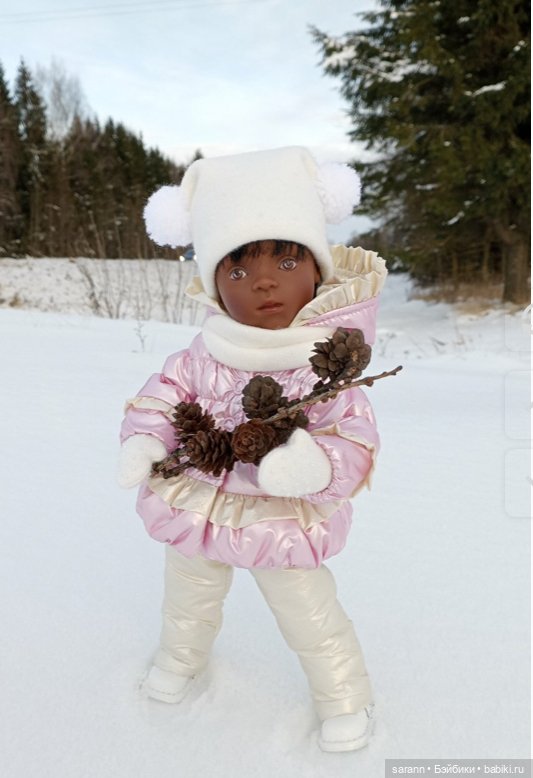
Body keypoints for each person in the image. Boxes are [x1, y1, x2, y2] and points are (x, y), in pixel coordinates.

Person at [118, 147, 387, 753]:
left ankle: (345, 695)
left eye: (286, 259)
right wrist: (145, 437)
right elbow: (164, 394)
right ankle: (180, 658)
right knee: (188, 591)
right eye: (237, 270)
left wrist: (313, 466)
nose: (264, 280)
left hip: (280, 515)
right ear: (214, 284)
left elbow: (354, 433)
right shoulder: (204, 351)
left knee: (306, 611)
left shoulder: (329, 363)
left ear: (316, 270)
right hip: (199, 500)